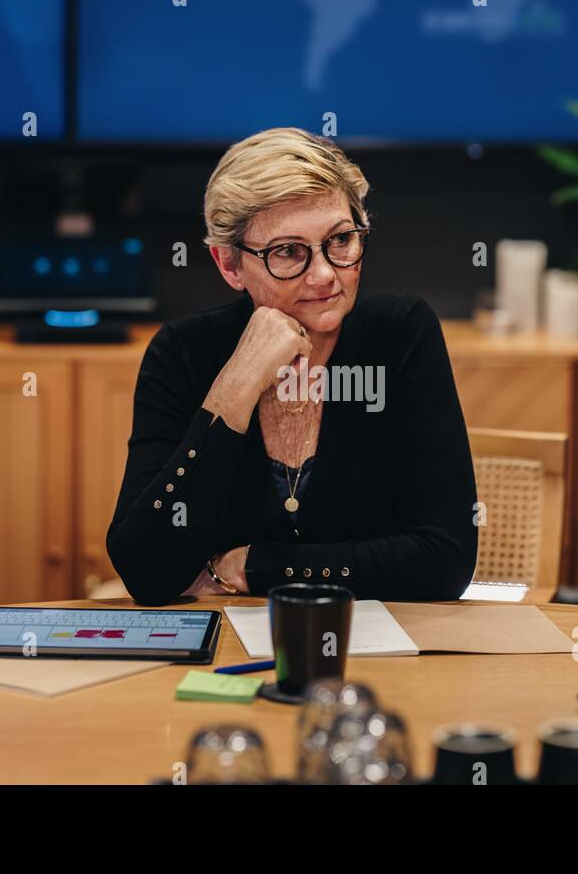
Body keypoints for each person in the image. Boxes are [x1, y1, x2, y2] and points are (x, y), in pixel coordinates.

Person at [107, 127, 477, 605]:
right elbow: (146, 569)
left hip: (382, 651)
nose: (324, 274)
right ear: (229, 266)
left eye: (341, 240)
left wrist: (257, 565)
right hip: (223, 651)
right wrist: (236, 385)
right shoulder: (182, 352)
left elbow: (445, 561)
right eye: (287, 251)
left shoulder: (399, 333)